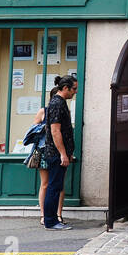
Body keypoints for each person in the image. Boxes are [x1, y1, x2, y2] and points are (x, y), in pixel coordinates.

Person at [42, 75, 78, 230]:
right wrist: (63, 153)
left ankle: (52, 220)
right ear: (65, 88)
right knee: (54, 187)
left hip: (58, 153)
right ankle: (51, 221)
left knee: (55, 186)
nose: (75, 92)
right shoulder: (57, 104)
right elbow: (55, 131)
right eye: (74, 89)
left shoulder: (59, 103)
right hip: (56, 154)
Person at [32, 88, 64, 226]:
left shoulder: (63, 111)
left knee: (59, 185)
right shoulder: (43, 111)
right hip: (44, 150)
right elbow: (33, 130)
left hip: (58, 151)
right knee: (45, 184)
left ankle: (58, 214)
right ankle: (44, 215)